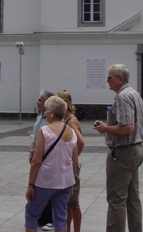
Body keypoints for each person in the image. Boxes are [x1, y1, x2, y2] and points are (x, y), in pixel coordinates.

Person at [94, 64, 143, 232]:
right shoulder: (134, 94)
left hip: (122, 152)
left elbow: (127, 127)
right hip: (135, 150)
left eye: (109, 78)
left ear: (119, 79)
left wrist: (106, 128)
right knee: (133, 198)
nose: (107, 81)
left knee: (116, 199)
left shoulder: (123, 97)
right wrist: (140, 139)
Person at [25, 96, 78, 232]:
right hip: (66, 181)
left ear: (53, 112)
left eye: (47, 110)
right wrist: (73, 181)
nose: (45, 113)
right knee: (60, 217)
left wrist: (31, 184)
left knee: (31, 214)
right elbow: (74, 159)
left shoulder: (45, 131)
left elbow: (37, 161)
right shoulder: (71, 132)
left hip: (46, 180)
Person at [57, 91, 85, 232]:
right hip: (68, 165)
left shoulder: (71, 121)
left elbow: (81, 141)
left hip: (71, 166)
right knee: (68, 203)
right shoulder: (66, 120)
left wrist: (74, 158)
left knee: (73, 203)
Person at [31, 90, 55, 230]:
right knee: (39, 187)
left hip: (47, 159)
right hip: (37, 156)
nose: (37, 102)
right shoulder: (40, 116)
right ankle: (42, 216)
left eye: (40, 100)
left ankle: (50, 218)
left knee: (48, 188)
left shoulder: (52, 120)